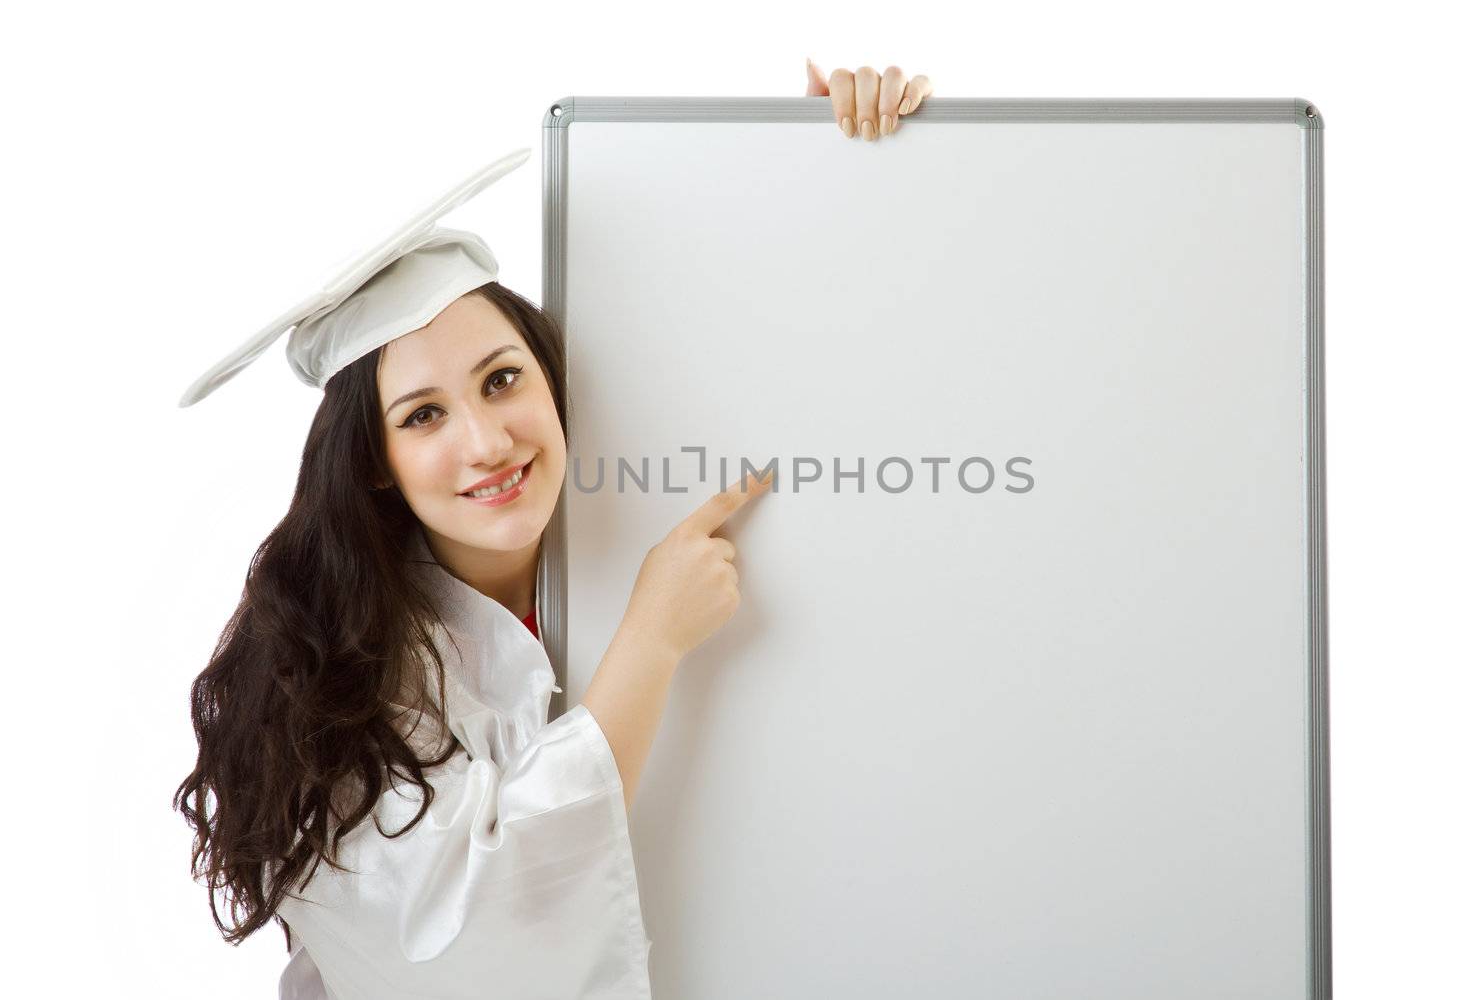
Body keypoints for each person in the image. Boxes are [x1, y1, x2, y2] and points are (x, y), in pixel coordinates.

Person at [171, 61, 934, 999]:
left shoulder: (630, 524)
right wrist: (651, 643)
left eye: (501, 379)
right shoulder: (333, 676)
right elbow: (469, 942)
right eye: (422, 416)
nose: (487, 442)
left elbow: (798, 358)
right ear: (374, 461)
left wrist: (830, 167)